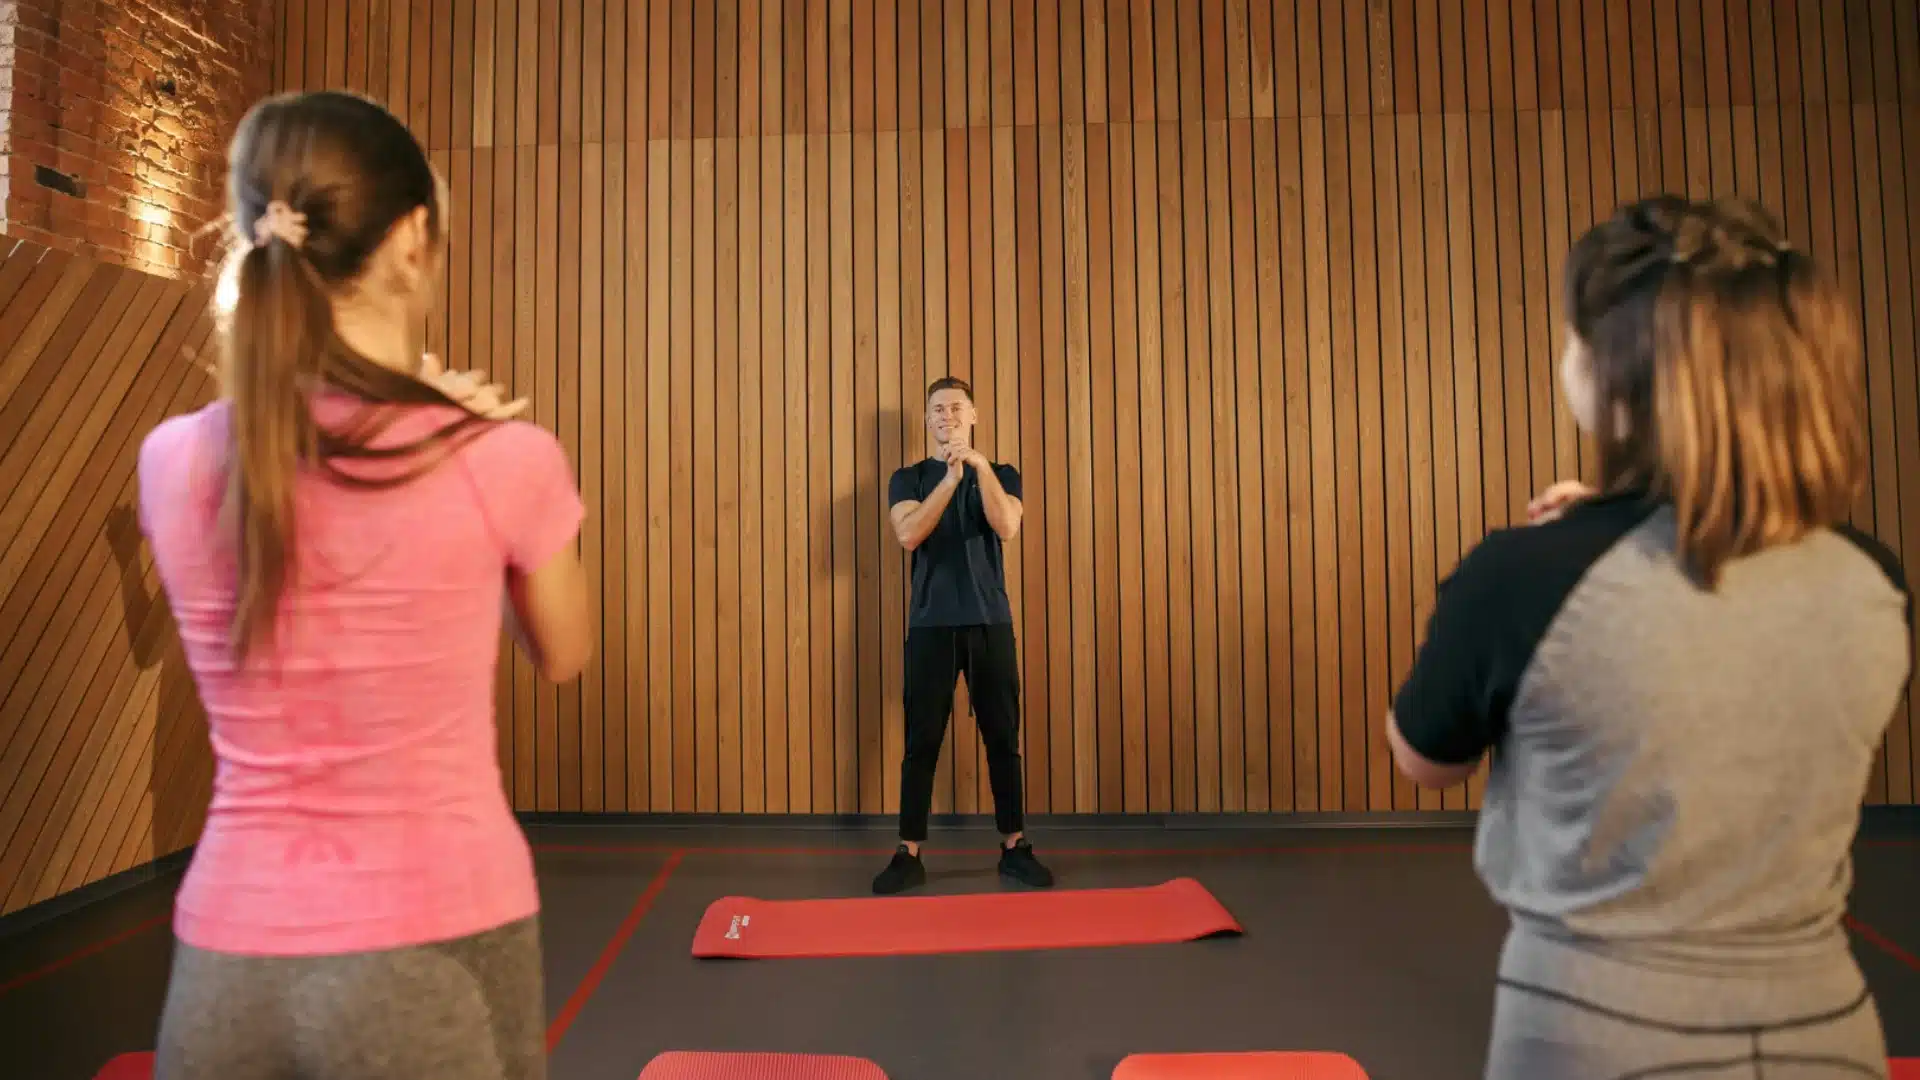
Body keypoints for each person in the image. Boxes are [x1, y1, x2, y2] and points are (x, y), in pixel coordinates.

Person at [1387, 194, 1908, 1079]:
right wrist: (1616, 526)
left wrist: (1583, 545)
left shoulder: (1521, 578)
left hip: (1594, 1036)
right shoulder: (1874, 576)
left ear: (1609, 374)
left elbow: (1425, 756)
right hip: (1828, 1031)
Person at [141, 90, 590, 1080]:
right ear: (412, 239)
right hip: (433, 946)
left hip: (224, 969)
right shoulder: (502, 456)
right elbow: (566, 653)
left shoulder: (172, 461)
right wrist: (460, 436)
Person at [872, 376, 1053, 894]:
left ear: (972, 415)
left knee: (1002, 737)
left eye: (955, 407)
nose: (946, 416)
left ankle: (1014, 846)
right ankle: (909, 853)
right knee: (921, 741)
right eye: (936, 409)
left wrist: (973, 467)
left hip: (989, 621)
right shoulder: (907, 478)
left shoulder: (1001, 474)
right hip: (930, 624)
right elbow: (908, 535)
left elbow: (1008, 526)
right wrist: (949, 482)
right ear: (927, 421)